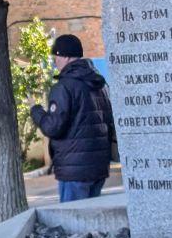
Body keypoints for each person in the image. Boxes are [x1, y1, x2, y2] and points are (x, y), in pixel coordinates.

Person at [30, 34, 113, 202]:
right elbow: (109, 122)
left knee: (74, 223)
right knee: (90, 221)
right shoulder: (100, 84)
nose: (54, 62)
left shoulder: (64, 87)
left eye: (56, 57)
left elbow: (53, 127)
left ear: (66, 57)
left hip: (75, 171)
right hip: (98, 168)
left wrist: (36, 110)